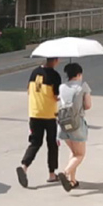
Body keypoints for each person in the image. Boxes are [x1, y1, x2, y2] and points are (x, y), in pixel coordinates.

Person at [16, 57, 62, 188]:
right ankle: (52, 174)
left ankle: (24, 166)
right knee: (52, 144)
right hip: (49, 114)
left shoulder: (34, 72)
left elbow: (28, 90)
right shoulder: (55, 75)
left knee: (35, 142)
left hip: (34, 113)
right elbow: (56, 96)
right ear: (55, 60)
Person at [57, 62, 92, 192]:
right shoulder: (83, 86)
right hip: (76, 125)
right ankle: (65, 172)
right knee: (80, 154)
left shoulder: (62, 87)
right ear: (78, 74)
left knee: (73, 152)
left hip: (63, 124)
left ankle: (72, 181)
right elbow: (88, 105)